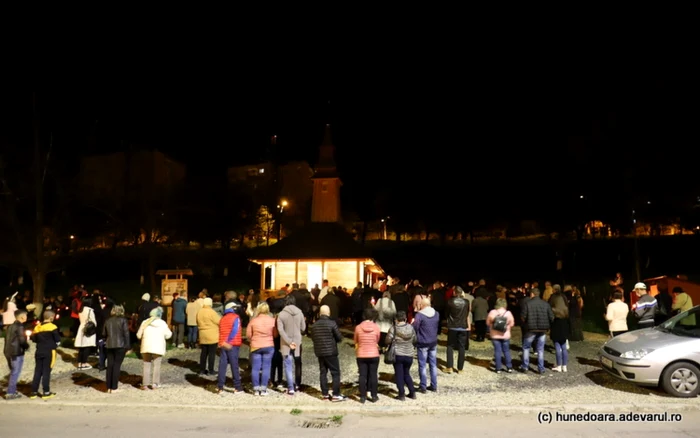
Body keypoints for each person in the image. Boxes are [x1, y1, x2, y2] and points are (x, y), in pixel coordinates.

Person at [310, 305, 346, 401]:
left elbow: (313, 338)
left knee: (323, 372)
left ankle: (325, 394)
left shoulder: (314, 326)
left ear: (320, 313)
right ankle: (336, 394)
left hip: (320, 352)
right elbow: (339, 338)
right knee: (335, 373)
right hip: (331, 352)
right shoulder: (332, 323)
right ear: (329, 313)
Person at [136, 307, 172, 389]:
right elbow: (168, 335)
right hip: (158, 346)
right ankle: (155, 384)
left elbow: (138, 335)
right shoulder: (162, 323)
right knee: (157, 365)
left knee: (146, 364)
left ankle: (145, 384)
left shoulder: (145, 322)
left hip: (146, 346)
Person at [277, 294, 305, 395]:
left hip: (286, 342)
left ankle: (290, 387)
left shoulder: (281, 314)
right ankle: (297, 384)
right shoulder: (300, 312)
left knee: (288, 364)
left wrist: (288, 341)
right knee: (298, 363)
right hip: (298, 341)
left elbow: (280, 330)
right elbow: (303, 328)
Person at [246, 302, 277, 396]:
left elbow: (248, 335)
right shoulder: (272, 320)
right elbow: (275, 334)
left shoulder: (253, 321)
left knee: (255, 368)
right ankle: (263, 389)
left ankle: (256, 389)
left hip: (256, 345)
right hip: (268, 345)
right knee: (266, 368)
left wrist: (253, 340)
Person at [520, 288, 554, 374]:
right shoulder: (546, 304)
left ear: (532, 294)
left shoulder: (528, 304)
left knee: (526, 347)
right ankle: (541, 368)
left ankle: (525, 366)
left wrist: (526, 323)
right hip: (543, 329)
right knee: (540, 349)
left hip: (531, 329)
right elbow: (551, 317)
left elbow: (523, 316)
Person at [29, 310, 61, 399]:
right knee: (46, 371)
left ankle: (33, 392)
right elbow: (58, 340)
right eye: (53, 317)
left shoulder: (37, 327)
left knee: (38, 371)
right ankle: (46, 392)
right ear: (51, 317)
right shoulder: (53, 327)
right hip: (49, 351)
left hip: (39, 351)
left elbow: (34, 339)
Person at [386, 310, 417, 401]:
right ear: (405, 318)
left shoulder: (393, 328)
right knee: (407, 374)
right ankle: (412, 393)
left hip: (398, 354)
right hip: (409, 354)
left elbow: (387, 341)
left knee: (399, 375)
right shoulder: (411, 328)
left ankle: (401, 394)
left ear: (396, 319)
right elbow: (415, 340)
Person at [354, 307, 380, 404]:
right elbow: (377, 339)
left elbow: (356, 340)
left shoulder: (358, 327)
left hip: (361, 354)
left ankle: (362, 396)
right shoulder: (376, 327)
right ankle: (374, 395)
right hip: (374, 353)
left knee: (362, 375)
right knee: (373, 375)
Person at [413, 297, 440, 392]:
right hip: (433, 342)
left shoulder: (419, 315)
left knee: (422, 365)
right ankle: (434, 385)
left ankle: (423, 386)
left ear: (423, 305)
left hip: (423, 342)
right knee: (433, 364)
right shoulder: (436, 314)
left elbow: (415, 328)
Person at [216, 302, 243, 395]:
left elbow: (220, 331)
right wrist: (229, 341)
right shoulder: (236, 317)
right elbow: (235, 330)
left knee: (222, 365)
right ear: (232, 308)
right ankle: (237, 387)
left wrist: (223, 342)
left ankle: (220, 387)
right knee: (234, 365)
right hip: (232, 344)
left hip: (223, 344)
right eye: (235, 307)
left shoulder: (222, 318)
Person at [103, 305, 130, 393]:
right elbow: (126, 334)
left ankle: (108, 387)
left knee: (110, 365)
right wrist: (127, 346)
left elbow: (103, 333)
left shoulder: (108, 320)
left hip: (109, 344)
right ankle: (114, 387)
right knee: (116, 365)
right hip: (120, 345)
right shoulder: (123, 320)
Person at [4, 310, 29, 400]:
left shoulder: (10, 326)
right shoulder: (20, 326)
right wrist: (27, 346)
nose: (26, 317)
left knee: (13, 371)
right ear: (22, 317)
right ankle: (10, 392)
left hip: (8, 351)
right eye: (25, 315)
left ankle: (12, 390)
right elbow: (22, 340)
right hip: (16, 352)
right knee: (15, 372)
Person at [445, 286, 469, 374]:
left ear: (454, 293)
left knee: (450, 346)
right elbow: (467, 313)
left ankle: (449, 367)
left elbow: (446, 313)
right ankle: (460, 368)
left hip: (452, 325)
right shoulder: (466, 302)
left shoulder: (450, 301)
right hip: (462, 326)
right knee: (462, 347)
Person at [486, 299, 514, 373]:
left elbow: (488, 323)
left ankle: (498, 368)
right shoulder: (508, 313)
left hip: (495, 336)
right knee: (506, 351)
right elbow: (512, 324)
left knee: (497, 351)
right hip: (505, 335)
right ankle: (509, 367)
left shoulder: (492, 312)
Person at [197, 297, 221, 376]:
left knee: (203, 353)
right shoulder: (212, 312)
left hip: (202, 334)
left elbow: (197, 321)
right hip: (212, 335)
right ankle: (211, 370)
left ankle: (202, 370)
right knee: (212, 353)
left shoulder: (199, 311)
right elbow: (219, 321)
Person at [548, 286, 570, 373]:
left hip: (556, 326)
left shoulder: (553, 309)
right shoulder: (565, 309)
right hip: (564, 326)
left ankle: (559, 366)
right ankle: (565, 366)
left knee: (557, 346)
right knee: (564, 346)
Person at [75, 297, 97, 370]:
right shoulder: (90, 310)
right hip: (88, 329)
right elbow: (93, 321)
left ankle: (79, 363)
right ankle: (84, 363)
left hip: (81, 327)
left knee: (81, 347)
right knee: (87, 347)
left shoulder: (81, 310)